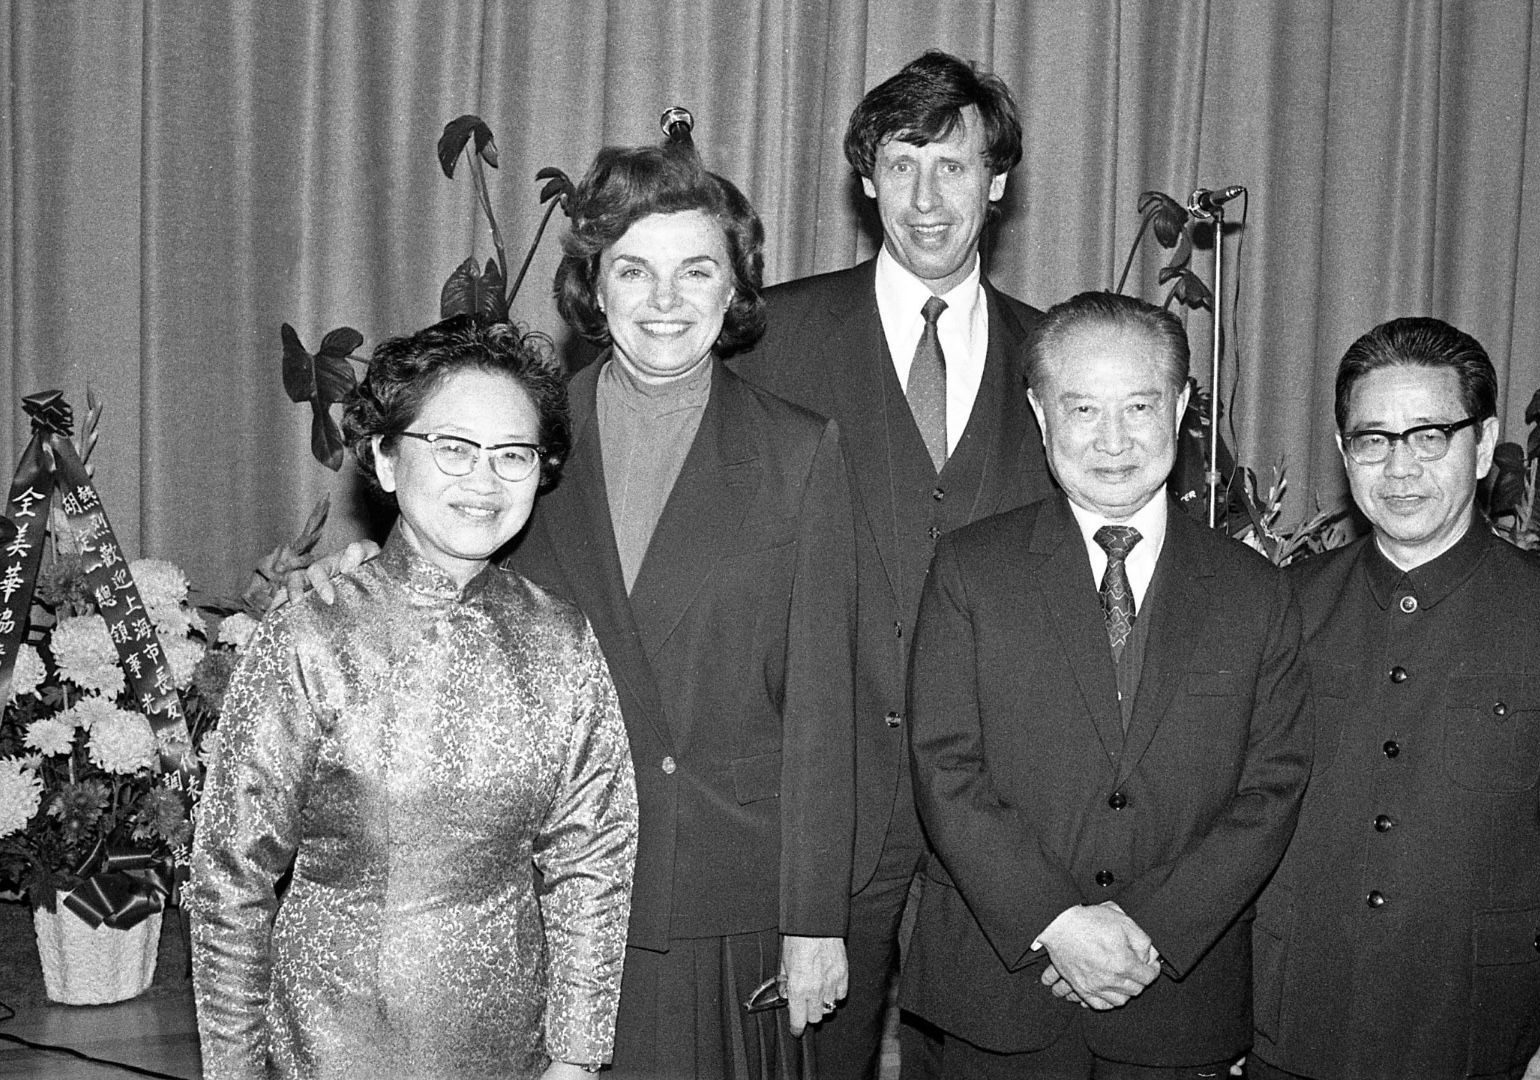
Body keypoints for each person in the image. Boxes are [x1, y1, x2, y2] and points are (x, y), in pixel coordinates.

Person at [189, 316, 638, 1079]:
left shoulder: (559, 638)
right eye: (455, 448)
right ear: (387, 460)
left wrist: (577, 1056)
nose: (486, 480)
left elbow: (593, 857)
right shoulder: (312, 636)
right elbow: (231, 877)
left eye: (513, 455)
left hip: (516, 1051)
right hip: (330, 1048)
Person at [727, 50, 1051, 1078]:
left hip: (998, 827)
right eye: (903, 163)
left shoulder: (1061, 364)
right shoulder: (766, 339)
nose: (927, 196)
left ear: (997, 181)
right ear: (866, 177)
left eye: (953, 166)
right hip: (814, 822)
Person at [899, 291, 1310, 1078]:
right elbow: (943, 765)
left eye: (1140, 405)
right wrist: (1056, 922)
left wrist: (1146, 929)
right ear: (1039, 411)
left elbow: (1273, 787)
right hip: (1002, 994)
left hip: (1175, 1000)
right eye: (1082, 407)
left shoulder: (1255, 592)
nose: (1113, 440)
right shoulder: (970, 571)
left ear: (1183, 406)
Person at [518, 133, 856, 1078]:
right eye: (635, 271)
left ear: (734, 290)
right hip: (549, 880)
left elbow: (825, 713)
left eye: (695, 271)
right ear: (595, 287)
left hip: (720, 892)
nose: (665, 302)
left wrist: (815, 923)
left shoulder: (799, 452)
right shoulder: (525, 438)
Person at [1249, 317, 1540, 1080]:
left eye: (1430, 436)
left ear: (1484, 444)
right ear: (1343, 451)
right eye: (1373, 439)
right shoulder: (1284, 608)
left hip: (1481, 1034)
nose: (1400, 468)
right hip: (1296, 1025)